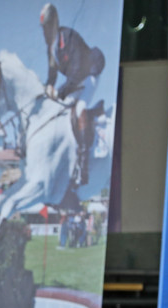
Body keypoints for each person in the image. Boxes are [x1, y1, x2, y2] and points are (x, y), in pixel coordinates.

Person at [40, 2, 105, 187]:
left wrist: (59, 92)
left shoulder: (68, 37)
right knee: (62, 111)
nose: (44, 32)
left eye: (46, 27)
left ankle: (84, 166)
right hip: (76, 79)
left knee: (79, 107)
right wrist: (46, 90)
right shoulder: (51, 48)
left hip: (90, 72)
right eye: (43, 28)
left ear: (54, 24)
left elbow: (78, 71)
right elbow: (52, 75)